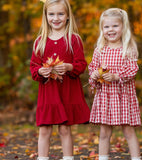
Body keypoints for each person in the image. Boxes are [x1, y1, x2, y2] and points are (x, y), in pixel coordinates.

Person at [30, 0, 90, 160]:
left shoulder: (73, 39)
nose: (56, 18)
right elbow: (33, 68)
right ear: (45, 16)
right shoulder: (40, 41)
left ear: (68, 16)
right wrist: (41, 71)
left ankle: (68, 158)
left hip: (67, 91)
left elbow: (81, 64)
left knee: (65, 129)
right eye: (51, 14)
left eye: (60, 14)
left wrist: (70, 67)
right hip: (48, 93)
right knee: (44, 129)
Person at [88, 8, 141, 160]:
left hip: (123, 96)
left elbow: (132, 70)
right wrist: (95, 74)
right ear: (102, 29)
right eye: (107, 27)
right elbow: (92, 70)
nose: (111, 30)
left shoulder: (128, 49)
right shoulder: (100, 50)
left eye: (115, 26)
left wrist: (117, 76)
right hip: (106, 97)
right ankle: (103, 158)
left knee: (128, 131)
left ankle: (136, 158)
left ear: (123, 27)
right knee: (104, 132)